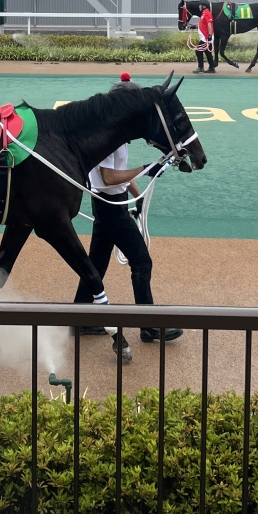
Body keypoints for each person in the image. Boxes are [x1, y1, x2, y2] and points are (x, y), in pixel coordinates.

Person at [72, 72, 183, 346]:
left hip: (109, 203)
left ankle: (79, 318)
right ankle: (148, 327)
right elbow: (109, 177)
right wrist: (148, 169)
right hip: (109, 207)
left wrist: (137, 196)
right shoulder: (104, 135)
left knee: (95, 264)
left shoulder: (117, 132)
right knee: (141, 262)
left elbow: (119, 175)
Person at [193, 0, 215, 73]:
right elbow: (203, 25)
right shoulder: (203, 14)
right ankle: (212, 67)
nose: (199, 6)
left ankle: (200, 67)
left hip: (206, 38)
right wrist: (195, 26)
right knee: (207, 52)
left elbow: (209, 24)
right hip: (205, 37)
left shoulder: (206, 13)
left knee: (198, 51)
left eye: (200, 5)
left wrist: (209, 35)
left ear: (204, 6)